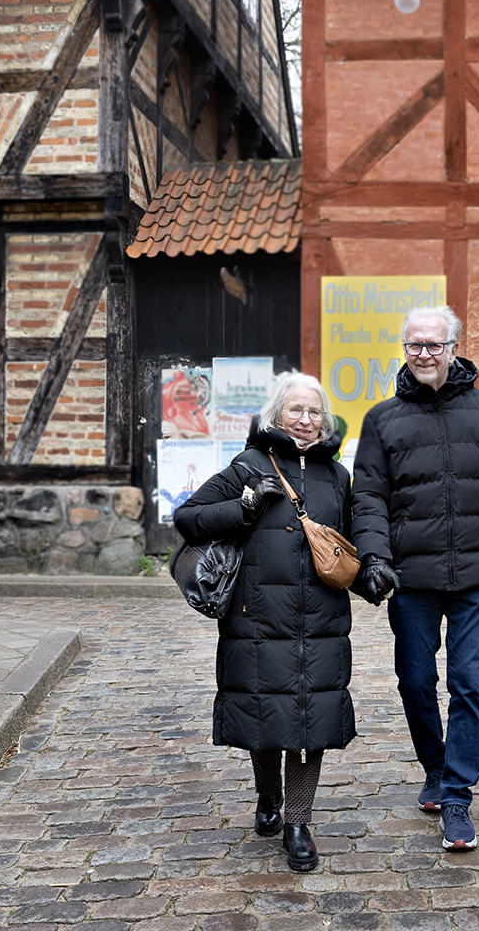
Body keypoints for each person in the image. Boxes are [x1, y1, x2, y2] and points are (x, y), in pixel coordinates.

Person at [351, 306, 479, 852]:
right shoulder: (382, 419)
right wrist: (374, 557)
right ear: (405, 351)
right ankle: (434, 767)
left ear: (454, 348)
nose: (425, 354)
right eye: (415, 346)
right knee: (414, 681)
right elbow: (368, 497)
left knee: (468, 684)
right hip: (411, 576)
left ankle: (457, 796)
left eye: (435, 345)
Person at [172, 372, 356, 873]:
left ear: (326, 419)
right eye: (295, 409)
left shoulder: (337, 477)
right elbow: (188, 518)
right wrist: (245, 505)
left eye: (314, 411)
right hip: (257, 620)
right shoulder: (249, 464)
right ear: (276, 414)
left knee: (309, 721)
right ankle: (268, 795)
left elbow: (352, 542)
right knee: (266, 715)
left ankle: (299, 822)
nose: (305, 419)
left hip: (319, 621)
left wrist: (376, 573)